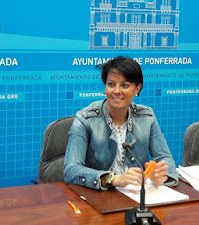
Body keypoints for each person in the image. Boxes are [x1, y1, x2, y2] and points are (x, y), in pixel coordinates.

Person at [63, 56, 178, 190]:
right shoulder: (85, 119)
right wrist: (113, 179)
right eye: (111, 84)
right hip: (97, 195)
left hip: (137, 194)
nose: (116, 91)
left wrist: (160, 174)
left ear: (137, 89)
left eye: (125, 85)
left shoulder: (147, 117)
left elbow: (165, 159)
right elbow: (70, 170)